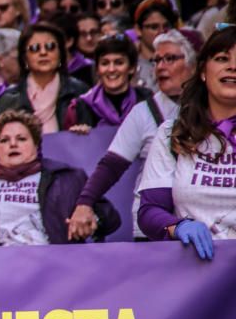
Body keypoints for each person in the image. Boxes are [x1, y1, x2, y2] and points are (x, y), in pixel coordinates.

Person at [69, 30, 197, 240]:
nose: (161, 66)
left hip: (200, 221)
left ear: (193, 65)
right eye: (156, 60)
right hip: (154, 228)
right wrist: (84, 203)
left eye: (170, 58)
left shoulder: (214, 110)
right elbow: (111, 165)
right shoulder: (143, 112)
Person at [0, 110, 119, 246]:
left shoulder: (68, 178)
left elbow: (110, 218)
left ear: (36, 144)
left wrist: (91, 217)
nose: (13, 144)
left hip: (51, 273)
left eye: (22, 139)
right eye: (4, 140)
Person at [137, 27, 236, 260]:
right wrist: (178, 226)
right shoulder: (173, 133)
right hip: (194, 273)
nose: (232, 66)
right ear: (202, 71)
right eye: (222, 58)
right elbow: (150, 211)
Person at [0, 22, 88, 133]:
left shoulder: (80, 92)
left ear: (61, 54)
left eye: (50, 47)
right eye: (35, 48)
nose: (43, 53)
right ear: (24, 58)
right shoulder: (9, 99)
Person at [65, 35, 151, 133]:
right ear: (97, 69)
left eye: (119, 63)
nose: (111, 69)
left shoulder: (147, 100)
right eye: (105, 63)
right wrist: (77, 137)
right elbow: (68, 145)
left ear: (131, 68)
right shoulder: (80, 107)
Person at [133, 0, 178, 89]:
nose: (161, 32)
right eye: (154, 27)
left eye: (166, 26)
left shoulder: (181, 61)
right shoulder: (130, 64)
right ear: (138, 30)